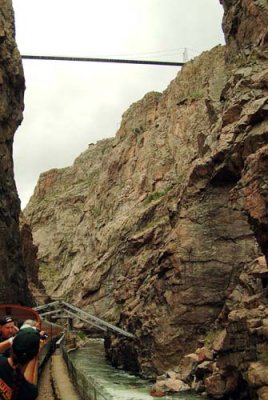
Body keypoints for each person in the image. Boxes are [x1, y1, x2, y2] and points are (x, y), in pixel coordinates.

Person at [0, 328, 41, 400]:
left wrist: (10, 341)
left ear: (12, 347)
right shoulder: (30, 391)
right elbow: (28, 387)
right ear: (36, 354)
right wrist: (34, 358)